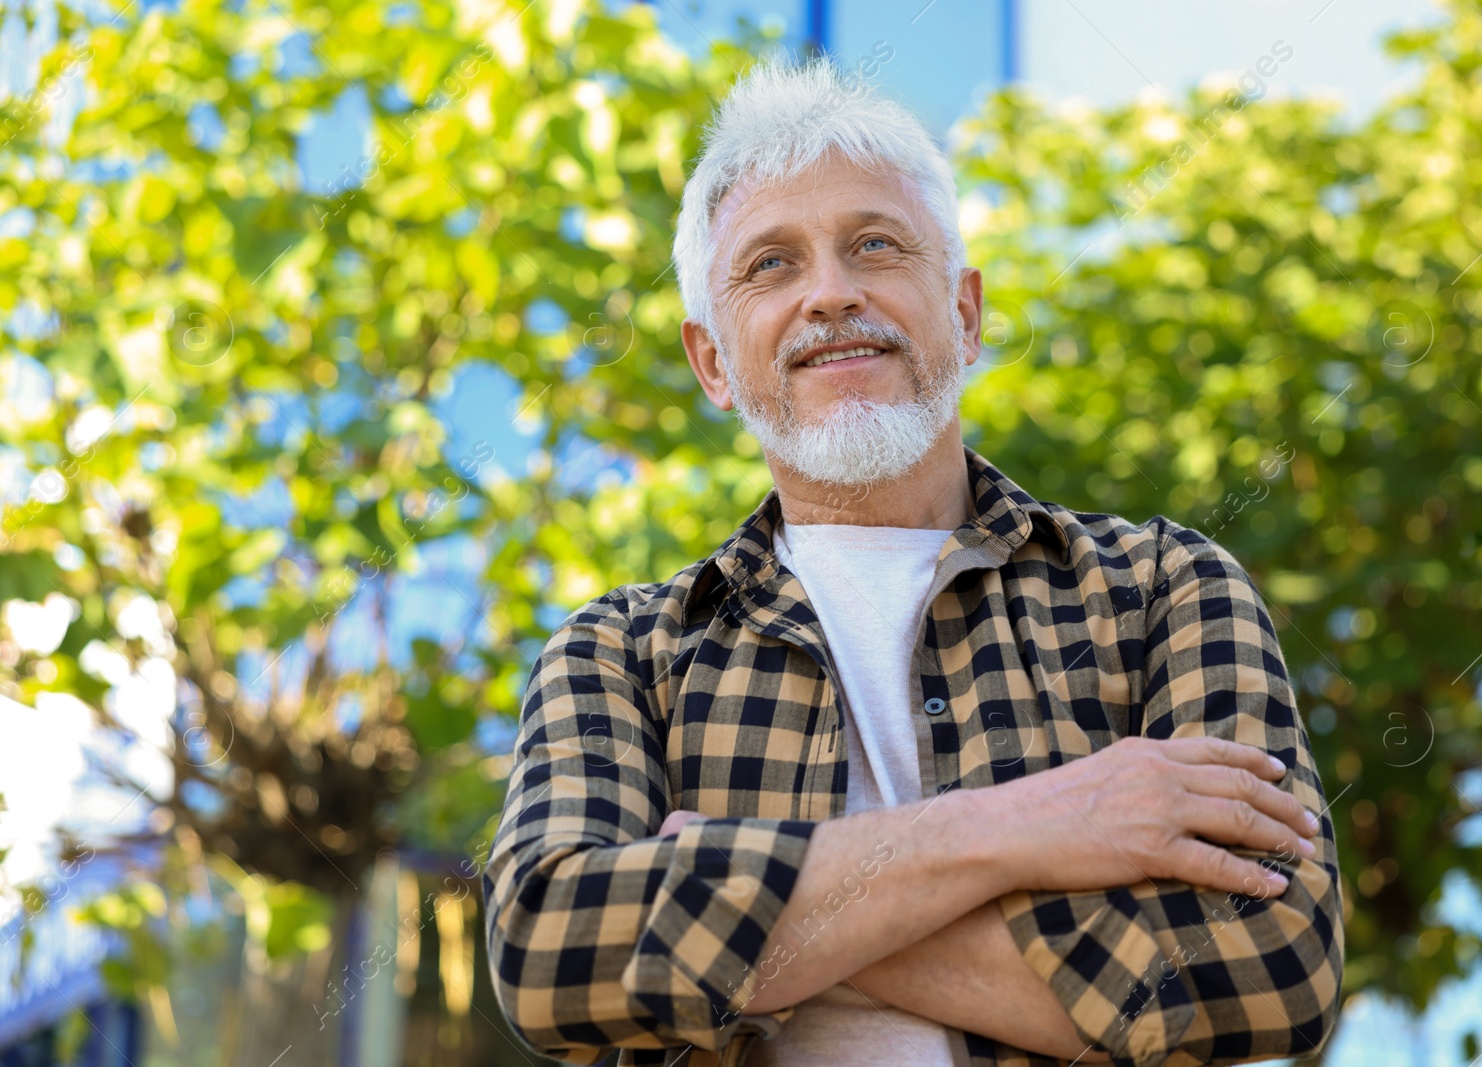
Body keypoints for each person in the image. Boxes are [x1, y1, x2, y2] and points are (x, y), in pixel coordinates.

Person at [483, 55, 1342, 1067]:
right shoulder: (620, 652)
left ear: (966, 313)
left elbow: (1274, 966)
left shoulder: (1163, 589)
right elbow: (550, 949)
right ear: (712, 360)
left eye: (875, 245)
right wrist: (1035, 821)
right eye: (770, 265)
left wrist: (737, 915)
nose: (831, 294)